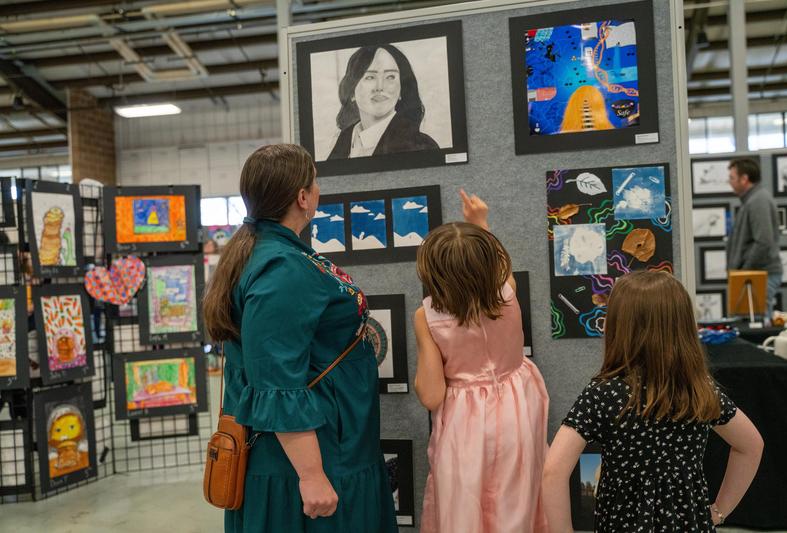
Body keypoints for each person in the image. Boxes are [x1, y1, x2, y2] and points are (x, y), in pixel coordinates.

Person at [202, 144, 397, 533]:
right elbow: (277, 380)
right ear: (303, 197)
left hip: (335, 446)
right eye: (315, 183)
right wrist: (312, 476)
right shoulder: (281, 269)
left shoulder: (275, 253)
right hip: (311, 463)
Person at [542, 271, 763, 532]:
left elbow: (553, 472)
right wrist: (719, 510)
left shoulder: (604, 393)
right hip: (689, 524)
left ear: (619, 327)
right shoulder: (697, 389)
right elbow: (751, 445)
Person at [414, 190, 550, 532]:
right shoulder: (506, 292)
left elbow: (431, 395)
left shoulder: (427, 316)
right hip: (519, 404)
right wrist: (481, 223)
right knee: (518, 493)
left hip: (466, 418)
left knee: (465, 497)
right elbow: (499, 263)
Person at [326, 44, 439, 160]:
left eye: (390, 77)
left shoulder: (423, 147)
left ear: (401, 90)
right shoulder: (342, 143)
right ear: (352, 92)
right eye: (370, 77)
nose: (380, 87)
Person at [726, 158, 782, 321]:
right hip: (754, 275)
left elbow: (763, 241)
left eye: (732, 178)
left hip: (757, 275)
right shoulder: (752, 200)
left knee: (755, 328)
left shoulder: (758, 201)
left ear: (744, 179)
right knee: (752, 324)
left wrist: (744, 272)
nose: (729, 182)